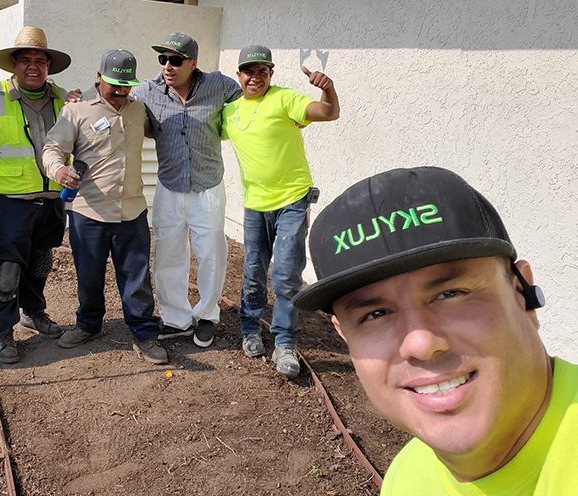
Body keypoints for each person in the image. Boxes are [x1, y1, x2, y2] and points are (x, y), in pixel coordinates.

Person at [292, 167, 577, 495]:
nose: (420, 343)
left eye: (450, 294)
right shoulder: (405, 479)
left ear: (521, 294)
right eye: (375, 314)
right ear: (344, 335)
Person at [42, 49, 168, 365]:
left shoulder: (139, 110)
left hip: (132, 212)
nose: (119, 90)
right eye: (113, 83)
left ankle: (143, 332)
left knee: (137, 277)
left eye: (126, 85)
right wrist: (59, 171)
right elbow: (52, 148)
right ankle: (88, 324)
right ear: (99, 78)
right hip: (89, 213)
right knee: (89, 275)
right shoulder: (77, 111)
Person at [221, 45, 340, 378]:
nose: (255, 77)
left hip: (291, 200)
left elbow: (329, 113)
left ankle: (285, 343)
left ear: (271, 74)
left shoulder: (286, 99)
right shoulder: (229, 113)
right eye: (249, 71)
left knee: (286, 274)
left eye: (262, 71)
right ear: (239, 75)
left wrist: (327, 88)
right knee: (254, 270)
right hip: (255, 205)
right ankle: (249, 329)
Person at [0, 26, 76, 364]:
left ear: (48, 65)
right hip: (10, 203)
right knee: (8, 271)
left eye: (40, 60)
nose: (33, 66)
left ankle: (33, 312)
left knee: (41, 262)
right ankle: (2, 330)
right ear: (14, 63)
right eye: (26, 59)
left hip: (52, 200)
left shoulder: (63, 101)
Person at [130, 32, 241, 348]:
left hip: (208, 186)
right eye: (162, 59)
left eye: (175, 60)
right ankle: (176, 318)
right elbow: (116, 100)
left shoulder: (219, 86)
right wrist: (83, 100)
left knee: (211, 254)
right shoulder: (148, 92)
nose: (167, 65)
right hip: (169, 186)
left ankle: (207, 315)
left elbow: (251, 102)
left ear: (193, 63)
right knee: (167, 254)